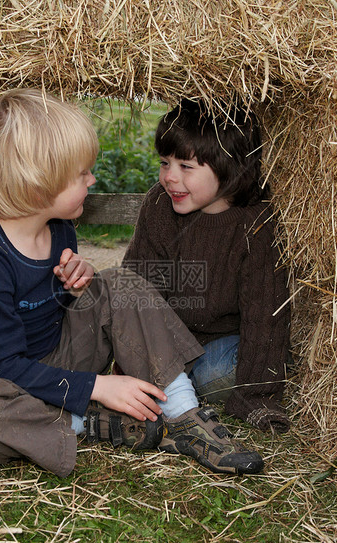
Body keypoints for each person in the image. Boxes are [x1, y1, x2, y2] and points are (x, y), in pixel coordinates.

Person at [0, 89, 264, 477]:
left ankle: (184, 415)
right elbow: (4, 367)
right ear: (40, 183)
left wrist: (77, 286)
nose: (93, 178)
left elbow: (64, 311)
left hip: (64, 356)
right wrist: (95, 387)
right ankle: (91, 423)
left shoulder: (60, 229)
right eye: (81, 174)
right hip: (12, 387)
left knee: (121, 282)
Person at [122, 99, 292, 433]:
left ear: (229, 170)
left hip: (221, 346)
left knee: (218, 371)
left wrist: (257, 396)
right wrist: (134, 359)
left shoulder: (254, 226)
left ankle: (179, 388)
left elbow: (266, 315)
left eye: (185, 167)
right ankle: (167, 385)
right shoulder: (159, 205)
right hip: (166, 342)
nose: (169, 177)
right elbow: (139, 287)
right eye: (164, 162)